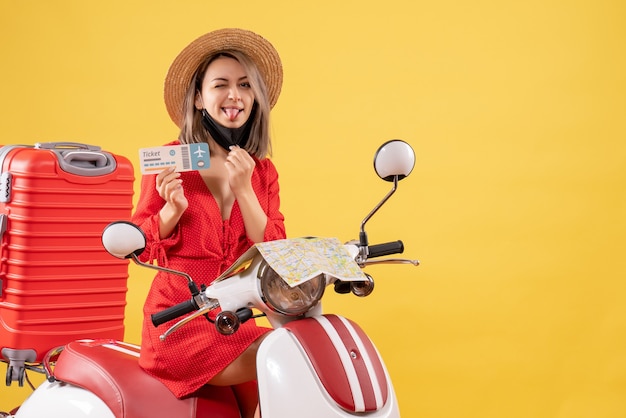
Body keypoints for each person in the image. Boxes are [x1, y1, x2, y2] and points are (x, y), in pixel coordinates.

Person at [131, 28, 286, 417]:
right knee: (283, 355)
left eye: (245, 85)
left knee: (296, 351)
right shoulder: (170, 159)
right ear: (199, 97)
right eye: (221, 84)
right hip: (179, 322)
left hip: (235, 316)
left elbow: (275, 248)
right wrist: (172, 210)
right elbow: (140, 245)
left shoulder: (262, 171)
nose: (235, 95)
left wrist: (245, 189)